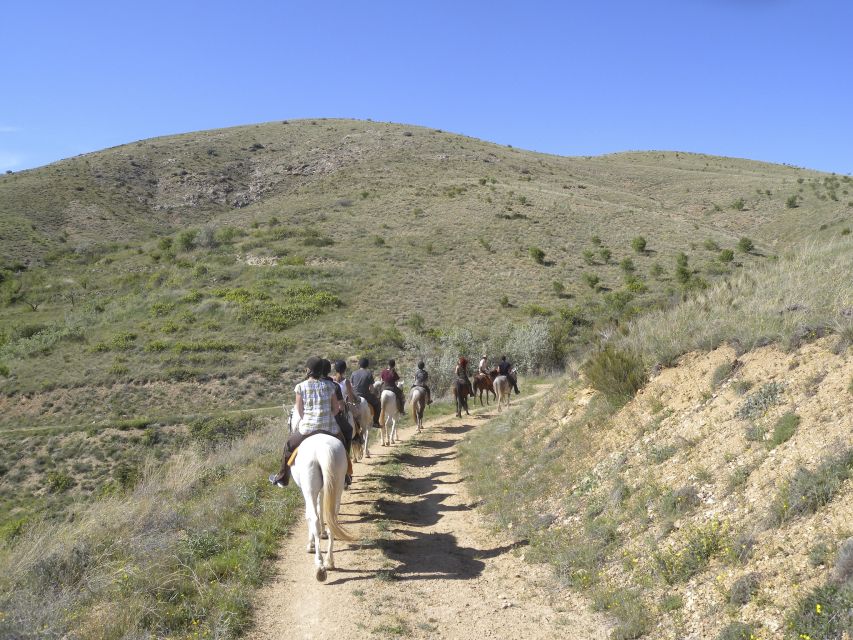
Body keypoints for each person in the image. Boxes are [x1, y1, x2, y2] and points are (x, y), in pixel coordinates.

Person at [269, 356, 346, 487]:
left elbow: (299, 410)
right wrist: (328, 416)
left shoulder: (300, 386)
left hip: (308, 428)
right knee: (343, 445)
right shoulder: (331, 385)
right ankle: (346, 475)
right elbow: (337, 409)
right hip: (329, 427)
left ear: (308, 370)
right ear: (321, 370)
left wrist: (309, 418)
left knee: (288, 446)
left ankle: (282, 477)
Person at [351, 357, 381, 429]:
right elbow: (371, 388)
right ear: (367, 365)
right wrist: (374, 394)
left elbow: (352, 386)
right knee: (378, 403)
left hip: (355, 397)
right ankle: (375, 422)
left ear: (359, 364)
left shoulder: (353, 373)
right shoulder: (368, 373)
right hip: (366, 396)